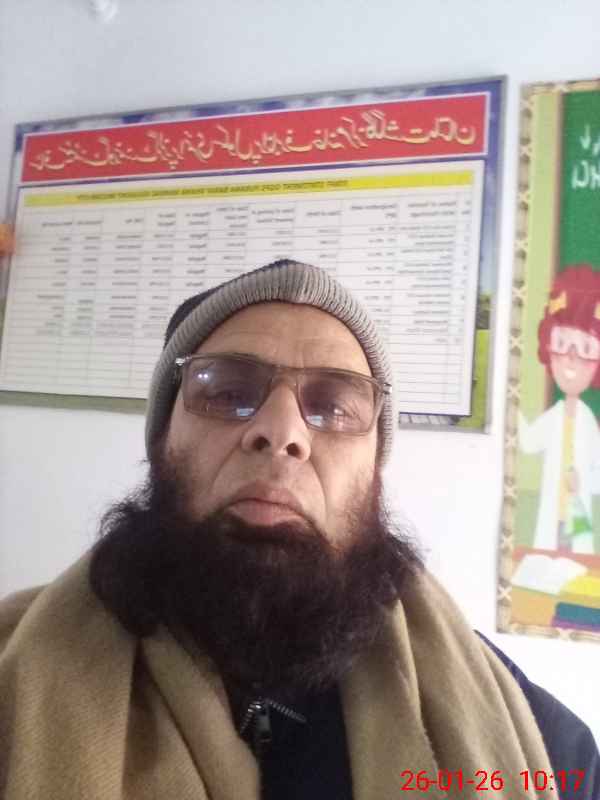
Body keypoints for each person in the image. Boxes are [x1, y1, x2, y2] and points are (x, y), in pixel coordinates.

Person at [0, 259, 598, 800]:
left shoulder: (549, 749)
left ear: (374, 471)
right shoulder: (15, 681)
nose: (282, 432)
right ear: (162, 444)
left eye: (333, 407)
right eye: (226, 391)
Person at [519, 265, 600, 553]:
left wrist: (582, 483)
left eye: (586, 349)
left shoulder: (588, 423)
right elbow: (529, 442)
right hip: (552, 515)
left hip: (578, 514)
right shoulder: (553, 418)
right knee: (549, 559)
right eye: (562, 345)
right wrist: (513, 407)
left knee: (578, 561)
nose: (571, 360)